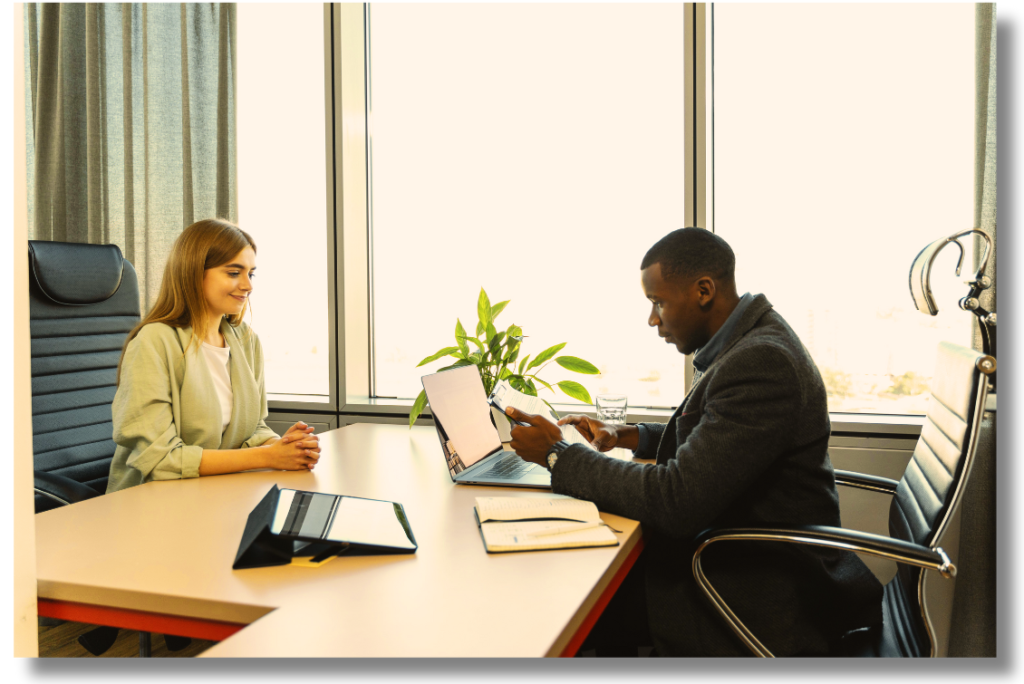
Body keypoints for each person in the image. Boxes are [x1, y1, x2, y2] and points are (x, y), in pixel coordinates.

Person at [503, 227, 883, 657]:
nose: (653, 318)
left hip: (758, 592)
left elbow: (676, 501)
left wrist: (559, 454)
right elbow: (720, 435)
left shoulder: (762, 361)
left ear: (704, 290)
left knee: (565, 598)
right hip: (742, 562)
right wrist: (630, 436)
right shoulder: (749, 342)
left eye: (658, 302)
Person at [107, 218, 320, 493]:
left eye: (251, 274)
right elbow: (160, 459)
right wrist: (268, 457)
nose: (248, 285)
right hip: (153, 503)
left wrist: (285, 447)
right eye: (233, 273)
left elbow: (253, 429)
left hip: (216, 494)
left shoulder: (246, 341)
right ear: (194, 273)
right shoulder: (153, 342)